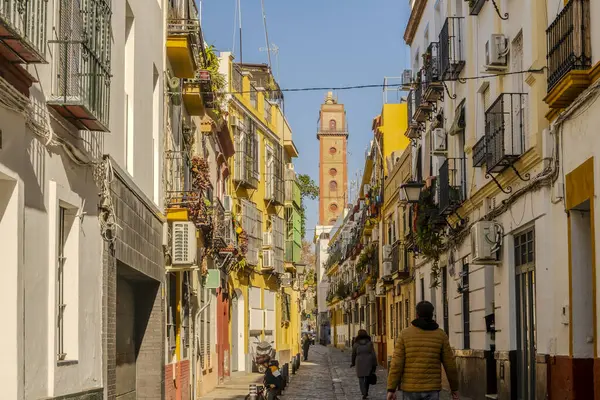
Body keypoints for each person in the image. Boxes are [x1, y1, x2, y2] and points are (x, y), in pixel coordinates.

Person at [387, 301, 460, 400]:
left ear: (417, 314)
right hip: (432, 389)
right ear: (432, 315)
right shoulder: (440, 335)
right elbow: (450, 364)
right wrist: (454, 388)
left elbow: (396, 363)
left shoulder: (405, 334)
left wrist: (391, 389)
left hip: (410, 388)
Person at [351, 329, 377, 400]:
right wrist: (374, 363)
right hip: (369, 361)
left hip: (359, 362)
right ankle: (366, 392)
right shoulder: (369, 343)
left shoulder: (356, 344)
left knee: (361, 378)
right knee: (368, 377)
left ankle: (363, 392)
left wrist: (352, 363)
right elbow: (373, 354)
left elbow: (353, 354)